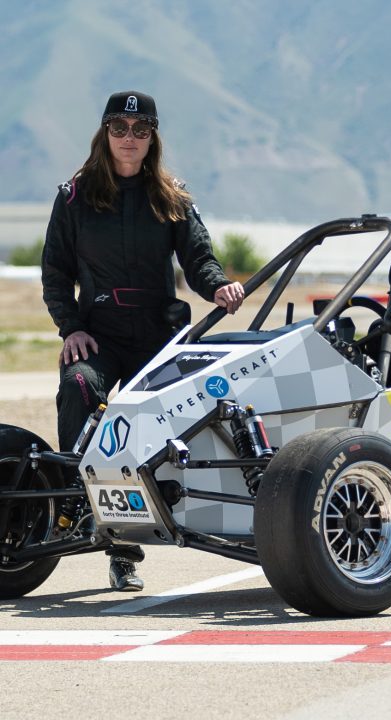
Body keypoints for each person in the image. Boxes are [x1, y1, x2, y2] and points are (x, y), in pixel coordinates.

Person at [41, 91, 245, 591]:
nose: (129, 137)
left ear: (153, 137)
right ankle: (78, 501)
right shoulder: (74, 197)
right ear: (105, 133)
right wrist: (72, 328)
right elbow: (55, 272)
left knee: (146, 428)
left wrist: (218, 285)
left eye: (140, 129)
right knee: (80, 387)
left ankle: (132, 547)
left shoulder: (172, 197)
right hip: (99, 334)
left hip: (158, 338)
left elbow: (199, 259)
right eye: (119, 127)